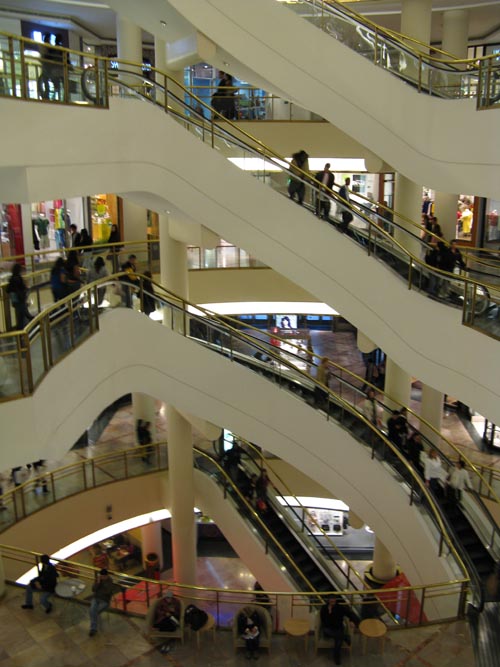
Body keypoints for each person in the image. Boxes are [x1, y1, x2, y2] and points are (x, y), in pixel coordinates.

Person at [320, 596, 359, 665]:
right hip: (328, 629)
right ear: (328, 600)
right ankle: (345, 637)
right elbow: (323, 620)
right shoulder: (324, 608)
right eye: (331, 600)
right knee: (337, 636)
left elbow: (350, 614)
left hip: (338, 628)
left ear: (336, 600)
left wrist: (352, 621)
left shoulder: (340, 608)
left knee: (338, 640)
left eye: (334, 599)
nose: (332, 601)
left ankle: (336, 656)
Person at [6, 263, 33, 330]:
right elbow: (23, 288)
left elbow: (8, 290)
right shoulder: (18, 278)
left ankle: (20, 330)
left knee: (21, 315)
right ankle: (21, 330)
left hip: (15, 300)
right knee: (23, 314)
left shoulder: (12, 279)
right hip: (20, 299)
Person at [89, 568, 114, 636]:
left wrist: (101, 588)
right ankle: (93, 629)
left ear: (106, 576)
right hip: (96, 598)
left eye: (103, 576)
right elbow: (93, 589)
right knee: (92, 610)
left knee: (94, 612)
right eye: (101, 576)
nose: (102, 578)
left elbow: (108, 592)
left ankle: (93, 627)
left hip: (104, 600)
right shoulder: (98, 580)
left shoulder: (110, 581)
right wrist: (98, 583)